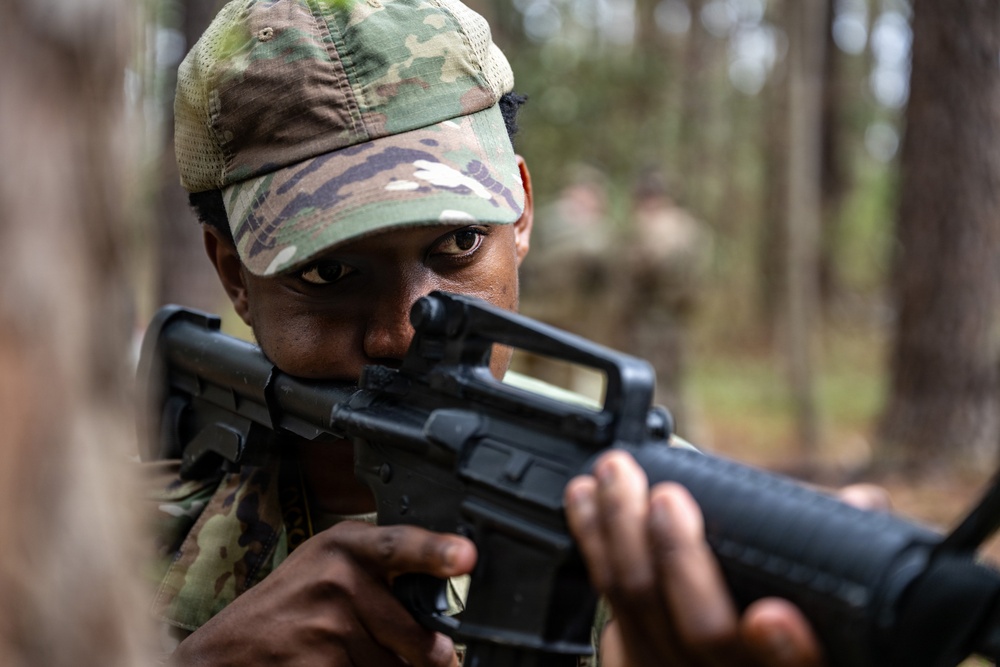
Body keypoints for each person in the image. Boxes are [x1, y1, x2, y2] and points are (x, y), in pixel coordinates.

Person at [149, 1, 871, 665]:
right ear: (235, 275)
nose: (403, 332)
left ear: (521, 213)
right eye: (330, 272)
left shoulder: (651, 519)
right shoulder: (98, 541)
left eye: (459, 243)